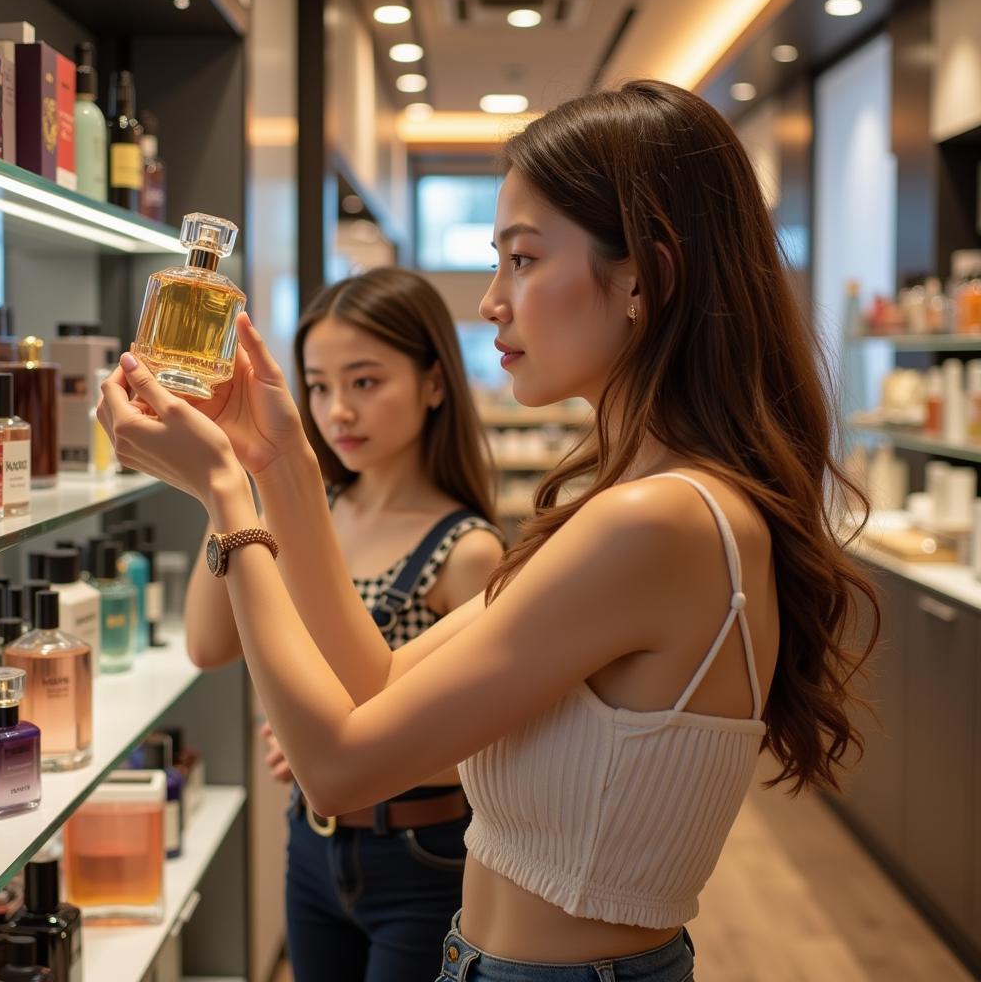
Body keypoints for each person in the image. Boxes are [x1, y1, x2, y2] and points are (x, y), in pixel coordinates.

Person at [100, 79, 878, 982]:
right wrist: (282, 467)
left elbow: (341, 770)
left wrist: (230, 502)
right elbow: (375, 684)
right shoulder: (645, 502)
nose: (491, 303)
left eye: (523, 260)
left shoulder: (657, 520)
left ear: (644, 278)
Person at [182, 268, 504, 981]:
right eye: (319, 386)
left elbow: (491, 745)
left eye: (365, 382)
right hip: (311, 842)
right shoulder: (305, 511)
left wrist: (331, 752)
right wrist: (226, 480)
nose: (337, 412)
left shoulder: (468, 550)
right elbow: (208, 645)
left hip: (426, 854)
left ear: (434, 383)